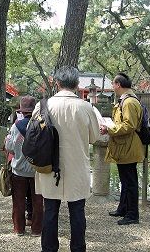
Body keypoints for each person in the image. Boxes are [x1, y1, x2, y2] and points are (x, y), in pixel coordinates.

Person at [34, 66, 100, 252]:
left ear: (57, 83)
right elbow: (94, 138)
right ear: (78, 84)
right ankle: (78, 248)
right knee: (77, 212)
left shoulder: (43, 106)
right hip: (76, 165)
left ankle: (48, 249)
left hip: (49, 165)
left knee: (50, 211)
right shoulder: (85, 107)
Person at [99, 72, 144, 225]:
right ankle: (123, 208)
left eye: (113, 84)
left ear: (118, 85)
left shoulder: (129, 102)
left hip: (128, 146)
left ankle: (132, 215)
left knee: (129, 181)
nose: (112, 86)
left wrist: (109, 130)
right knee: (126, 180)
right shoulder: (126, 100)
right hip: (124, 145)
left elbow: (129, 125)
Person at [5, 96, 44, 237]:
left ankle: (19, 229)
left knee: (18, 201)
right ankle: (36, 229)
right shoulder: (41, 125)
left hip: (19, 170)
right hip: (37, 171)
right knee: (38, 202)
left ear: (21, 111)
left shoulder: (17, 126)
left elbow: (9, 147)